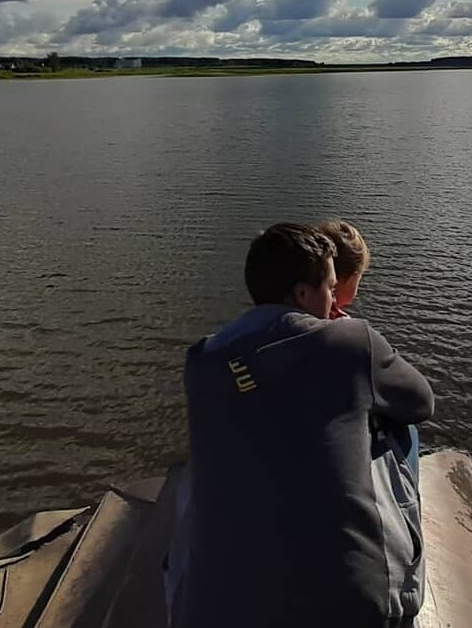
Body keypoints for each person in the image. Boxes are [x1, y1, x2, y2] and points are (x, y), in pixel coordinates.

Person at [173, 222, 434, 628]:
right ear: (303, 293)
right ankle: (401, 569)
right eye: (331, 288)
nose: (335, 301)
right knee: (402, 431)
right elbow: (420, 402)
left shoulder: (201, 360)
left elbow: (262, 385)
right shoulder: (351, 341)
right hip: (351, 611)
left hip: (208, 614)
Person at [317, 220, 421, 476]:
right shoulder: (349, 333)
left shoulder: (285, 317)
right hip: (334, 449)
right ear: (350, 278)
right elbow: (422, 403)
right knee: (409, 431)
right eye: (359, 278)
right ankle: (405, 505)